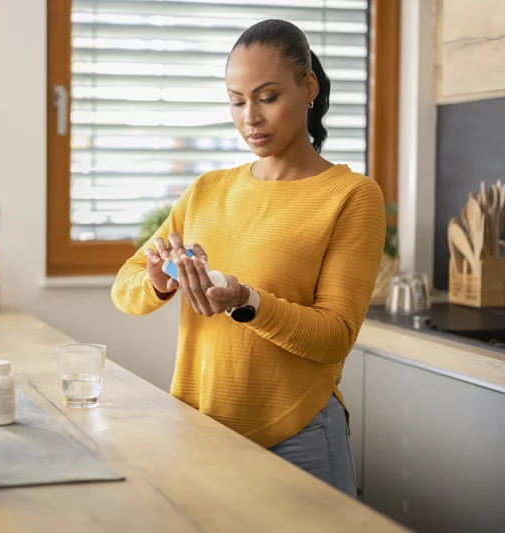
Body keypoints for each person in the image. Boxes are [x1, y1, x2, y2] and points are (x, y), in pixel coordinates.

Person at [110, 19, 386, 498]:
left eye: (267, 97)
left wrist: (246, 301)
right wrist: (161, 279)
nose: (250, 118)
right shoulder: (207, 190)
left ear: (309, 88)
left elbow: (335, 336)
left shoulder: (351, 196)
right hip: (199, 431)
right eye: (237, 102)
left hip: (298, 438)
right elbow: (125, 286)